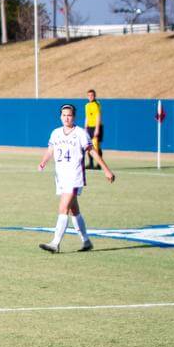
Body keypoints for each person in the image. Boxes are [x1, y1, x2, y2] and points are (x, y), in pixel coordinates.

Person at [37, 104, 115, 253]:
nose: (67, 118)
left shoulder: (80, 133)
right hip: (60, 177)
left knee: (63, 207)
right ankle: (86, 242)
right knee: (74, 210)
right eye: (64, 115)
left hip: (75, 176)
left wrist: (106, 170)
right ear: (60, 116)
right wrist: (43, 161)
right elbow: (50, 150)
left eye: (69, 115)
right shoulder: (55, 133)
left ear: (74, 117)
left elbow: (92, 151)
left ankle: (55, 243)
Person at [84, 89, 104, 170]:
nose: (90, 97)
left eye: (92, 95)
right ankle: (91, 163)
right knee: (89, 146)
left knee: (96, 146)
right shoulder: (87, 105)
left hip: (96, 127)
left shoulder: (97, 104)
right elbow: (87, 117)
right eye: (89, 95)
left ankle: (99, 164)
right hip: (89, 127)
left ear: (95, 96)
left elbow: (98, 117)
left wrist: (97, 129)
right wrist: (85, 128)